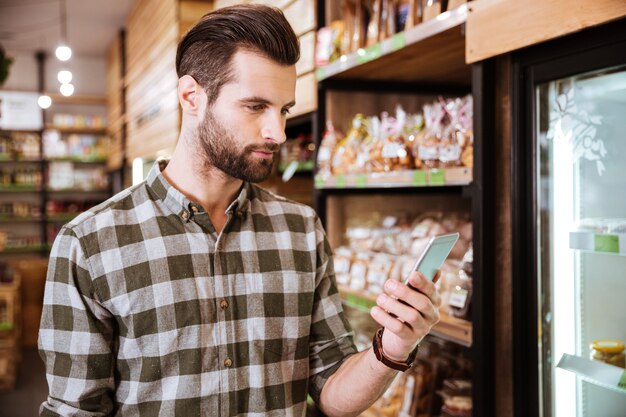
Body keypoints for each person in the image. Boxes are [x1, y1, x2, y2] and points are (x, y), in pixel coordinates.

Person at [39, 4, 441, 416]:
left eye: (283, 109)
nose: (278, 132)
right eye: (255, 107)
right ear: (191, 97)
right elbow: (77, 409)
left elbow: (332, 393)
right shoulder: (89, 243)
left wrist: (392, 346)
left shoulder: (300, 229)